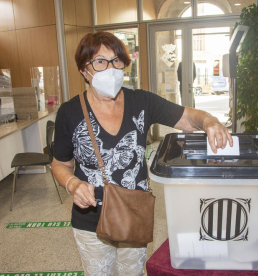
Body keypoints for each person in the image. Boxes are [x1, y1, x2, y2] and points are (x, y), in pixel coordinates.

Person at [51, 31, 232, 276]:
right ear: (85, 70)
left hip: (135, 213)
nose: (111, 68)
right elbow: (60, 164)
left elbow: (187, 117)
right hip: (91, 218)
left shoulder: (141, 102)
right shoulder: (69, 112)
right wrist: (73, 184)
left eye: (116, 60)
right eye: (100, 61)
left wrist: (210, 121)